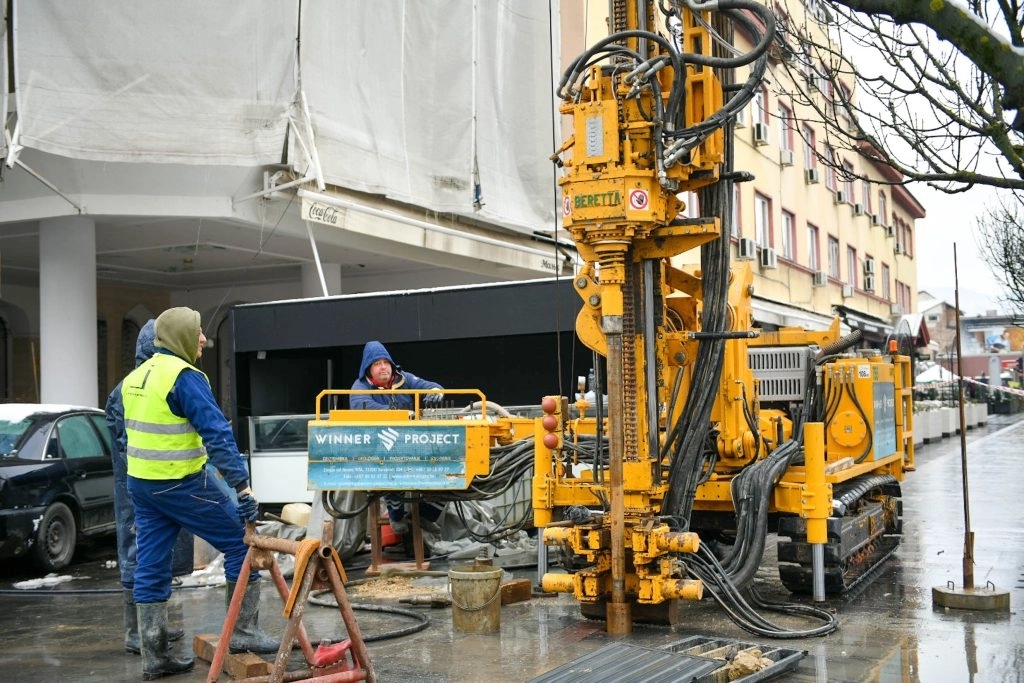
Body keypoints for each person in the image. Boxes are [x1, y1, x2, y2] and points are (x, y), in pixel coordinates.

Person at [123, 307, 279, 680]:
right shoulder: (185, 377)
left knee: (151, 564)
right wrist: (242, 486)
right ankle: (243, 632)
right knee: (243, 543)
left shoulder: (136, 377)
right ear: (180, 337)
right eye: (197, 334)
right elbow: (217, 434)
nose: (204, 340)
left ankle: (155, 656)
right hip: (182, 483)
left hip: (143, 486)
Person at [105, 319, 193, 656]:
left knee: (157, 556)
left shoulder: (156, 381)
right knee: (139, 553)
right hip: (139, 487)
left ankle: (154, 627)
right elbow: (126, 442)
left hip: (154, 483)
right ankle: (136, 632)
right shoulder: (130, 388)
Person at [350, 341, 445, 548]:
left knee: (447, 472)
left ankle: (423, 518)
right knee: (394, 475)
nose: (383, 367)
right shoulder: (360, 387)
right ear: (368, 369)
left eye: (386, 362)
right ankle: (396, 512)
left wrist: (436, 391)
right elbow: (360, 406)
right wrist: (399, 415)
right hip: (380, 450)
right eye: (377, 364)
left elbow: (431, 386)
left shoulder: (406, 379)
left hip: (412, 444)